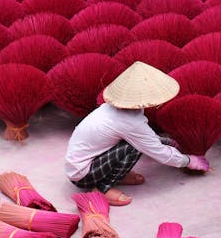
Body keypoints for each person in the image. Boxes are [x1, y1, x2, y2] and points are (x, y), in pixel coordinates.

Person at [65, 61, 209, 205]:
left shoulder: (114, 108)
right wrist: (190, 161)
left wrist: (170, 142)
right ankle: (101, 188)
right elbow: (159, 153)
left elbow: (147, 138)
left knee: (136, 143)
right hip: (83, 174)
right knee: (134, 147)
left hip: (85, 162)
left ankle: (114, 176)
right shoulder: (129, 122)